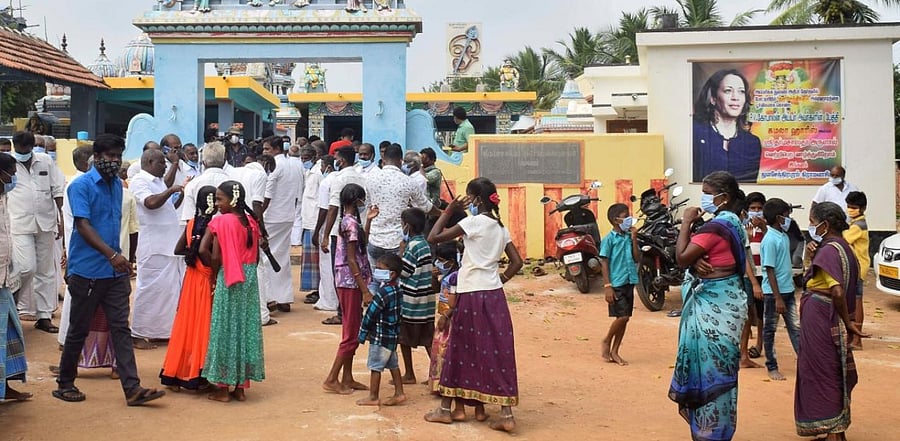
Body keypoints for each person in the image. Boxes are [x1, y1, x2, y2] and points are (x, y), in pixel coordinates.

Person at [55, 134, 165, 406]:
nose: (114, 161)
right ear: (97, 156)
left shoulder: (117, 185)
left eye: (118, 156)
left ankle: (133, 389)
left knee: (120, 329)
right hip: (88, 270)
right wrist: (113, 255)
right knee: (79, 329)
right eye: (110, 156)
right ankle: (65, 382)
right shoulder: (80, 186)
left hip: (115, 272)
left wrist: (120, 259)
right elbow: (83, 225)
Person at [424, 177, 523, 432]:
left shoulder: (473, 222)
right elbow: (516, 262)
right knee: (497, 350)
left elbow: (434, 237)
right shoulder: (500, 227)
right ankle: (506, 414)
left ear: (476, 199)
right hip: (494, 294)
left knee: (460, 347)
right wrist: (499, 279)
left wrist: (450, 209)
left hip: (471, 292)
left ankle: (445, 409)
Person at [669, 171, 748, 441]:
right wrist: (695, 261)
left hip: (714, 309)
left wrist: (686, 223)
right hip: (729, 304)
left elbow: (680, 257)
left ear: (723, 197)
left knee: (711, 372)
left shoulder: (716, 227)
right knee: (721, 372)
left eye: (707, 191)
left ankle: (708, 433)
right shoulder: (733, 222)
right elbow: (697, 257)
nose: (704, 197)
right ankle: (717, 431)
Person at [795, 202, 868, 440]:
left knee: (821, 370)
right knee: (834, 368)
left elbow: (836, 290)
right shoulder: (843, 247)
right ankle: (837, 429)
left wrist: (848, 322)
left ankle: (834, 432)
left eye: (813, 223)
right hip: (828, 314)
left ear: (824, 225)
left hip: (822, 315)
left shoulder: (828, 251)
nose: (811, 227)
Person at [199, 181, 266, 402]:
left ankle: (222, 388)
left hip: (228, 276)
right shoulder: (251, 222)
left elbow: (207, 251)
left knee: (224, 328)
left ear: (233, 200)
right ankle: (240, 387)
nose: (217, 203)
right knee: (244, 329)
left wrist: (214, 275)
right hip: (249, 278)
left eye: (220, 199)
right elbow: (255, 257)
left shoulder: (220, 221)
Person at [160, 185, 217, 391]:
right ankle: (200, 373)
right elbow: (206, 252)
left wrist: (190, 251)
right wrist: (213, 266)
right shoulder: (215, 225)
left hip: (191, 279)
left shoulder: (192, 223)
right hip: (206, 279)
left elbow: (178, 249)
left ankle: (177, 372)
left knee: (186, 325)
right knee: (204, 326)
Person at [8, 131, 64, 332]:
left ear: (33, 147)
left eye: (27, 149)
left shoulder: (45, 161)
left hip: (45, 222)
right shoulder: (8, 162)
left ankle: (44, 316)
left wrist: (60, 218)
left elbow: (57, 189)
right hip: (18, 223)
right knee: (26, 267)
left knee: (46, 270)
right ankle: (11, 302)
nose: (23, 153)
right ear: (15, 147)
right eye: (20, 150)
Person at [129, 149, 186, 349]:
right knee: (149, 290)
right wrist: (170, 191)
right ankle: (137, 333)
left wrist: (175, 167)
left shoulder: (157, 180)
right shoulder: (139, 181)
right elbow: (150, 203)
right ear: (150, 161)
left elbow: (165, 187)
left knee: (167, 292)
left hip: (167, 245)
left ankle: (160, 332)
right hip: (153, 246)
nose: (165, 166)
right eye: (162, 163)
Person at [322, 183, 372, 394]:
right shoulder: (350, 224)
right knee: (351, 333)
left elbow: (361, 244)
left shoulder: (350, 222)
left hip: (349, 280)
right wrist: (365, 289)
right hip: (350, 282)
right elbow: (352, 260)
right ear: (356, 200)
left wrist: (368, 221)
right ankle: (332, 378)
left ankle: (347, 376)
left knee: (352, 328)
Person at [364, 144, 434, 282]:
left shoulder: (370, 179)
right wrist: (445, 213)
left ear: (383, 158)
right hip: (397, 241)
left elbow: (368, 205)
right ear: (400, 160)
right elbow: (425, 207)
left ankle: (375, 302)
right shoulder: (408, 181)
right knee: (396, 282)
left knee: (376, 281)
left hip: (375, 238)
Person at [692, 69, 762, 183]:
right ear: (713, 98)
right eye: (728, 91)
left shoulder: (752, 143)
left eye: (741, 91)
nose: (736, 97)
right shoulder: (695, 132)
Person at [0, 153, 32, 402]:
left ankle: (6, 386)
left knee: (10, 333)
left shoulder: (4, 198)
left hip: (3, 279)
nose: (13, 178)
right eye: (11, 173)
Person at [356, 253, 407, 407]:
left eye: (380, 269)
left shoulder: (382, 293)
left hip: (380, 336)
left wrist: (362, 334)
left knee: (375, 366)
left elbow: (370, 315)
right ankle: (399, 393)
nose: (376, 271)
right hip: (392, 335)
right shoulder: (397, 290)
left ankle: (373, 396)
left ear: (392, 274)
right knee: (393, 364)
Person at [259, 136, 303, 313]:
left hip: (271, 217)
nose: (264, 152)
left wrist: (258, 215)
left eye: (267, 149)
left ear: (276, 149)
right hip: (288, 215)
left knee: (265, 258)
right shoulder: (296, 164)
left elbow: (267, 195)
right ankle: (283, 298)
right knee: (282, 256)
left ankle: (270, 298)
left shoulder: (274, 166)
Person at [759, 198, 800, 381]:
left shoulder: (781, 235)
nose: (788, 219)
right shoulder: (770, 240)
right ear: (778, 217)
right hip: (773, 294)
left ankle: (805, 361)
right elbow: (769, 269)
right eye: (786, 216)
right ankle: (772, 366)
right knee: (770, 330)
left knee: (796, 328)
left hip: (788, 290)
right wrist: (777, 298)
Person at [397, 207, 435, 384]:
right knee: (428, 339)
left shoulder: (412, 246)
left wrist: (400, 252)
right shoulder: (425, 244)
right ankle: (437, 373)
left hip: (411, 301)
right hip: (426, 299)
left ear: (408, 226)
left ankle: (409, 373)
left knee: (404, 338)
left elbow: (404, 272)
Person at [599, 203, 639, 366]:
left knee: (625, 318)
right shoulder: (609, 239)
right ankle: (607, 340)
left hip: (629, 281)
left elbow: (637, 258)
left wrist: (635, 239)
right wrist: (608, 286)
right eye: (625, 216)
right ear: (616, 220)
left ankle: (615, 351)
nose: (628, 219)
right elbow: (604, 262)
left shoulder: (628, 237)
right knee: (622, 316)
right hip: (616, 283)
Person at [313, 155, 340, 315]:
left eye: (322, 166)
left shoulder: (326, 182)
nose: (321, 169)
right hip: (341, 227)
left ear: (328, 167)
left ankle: (329, 300)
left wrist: (317, 232)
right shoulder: (341, 178)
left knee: (326, 266)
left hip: (328, 229)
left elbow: (324, 209)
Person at [181, 142, 231, 225]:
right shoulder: (233, 183)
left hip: (201, 234)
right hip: (228, 233)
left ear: (204, 163)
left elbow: (190, 220)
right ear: (224, 160)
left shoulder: (192, 185)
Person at [843, 191, 869, 350]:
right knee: (852, 301)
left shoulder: (858, 226)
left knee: (857, 301)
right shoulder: (855, 222)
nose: (850, 209)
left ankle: (857, 339)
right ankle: (853, 337)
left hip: (858, 268)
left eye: (853, 207)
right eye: (848, 206)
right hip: (857, 266)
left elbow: (845, 238)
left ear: (863, 208)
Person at [744, 192, 766, 363]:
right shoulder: (743, 228)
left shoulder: (768, 228)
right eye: (753, 208)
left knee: (761, 312)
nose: (756, 211)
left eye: (759, 208)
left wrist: (764, 229)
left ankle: (759, 344)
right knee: (747, 309)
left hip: (762, 274)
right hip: (748, 274)